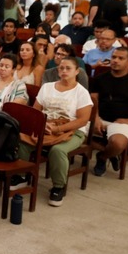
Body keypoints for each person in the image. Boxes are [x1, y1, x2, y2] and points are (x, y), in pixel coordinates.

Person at [16, 57, 92, 207]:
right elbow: (36, 110)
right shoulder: (47, 87)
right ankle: (21, 176)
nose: (64, 71)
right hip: (46, 126)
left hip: (72, 130)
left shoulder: (81, 92)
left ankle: (59, 186)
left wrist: (58, 129)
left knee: (58, 150)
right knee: (24, 140)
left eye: (68, 68)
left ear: (77, 71)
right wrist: (40, 124)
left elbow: (82, 120)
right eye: (61, 68)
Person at [90, 47, 128, 176]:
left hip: (125, 122)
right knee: (72, 133)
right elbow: (93, 101)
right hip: (100, 118)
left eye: (121, 58)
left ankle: (103, 156)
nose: (115, 61)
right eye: (114, 57)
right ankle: (112, 154)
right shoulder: (100, 78)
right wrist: (96, 117)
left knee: (118, 143)